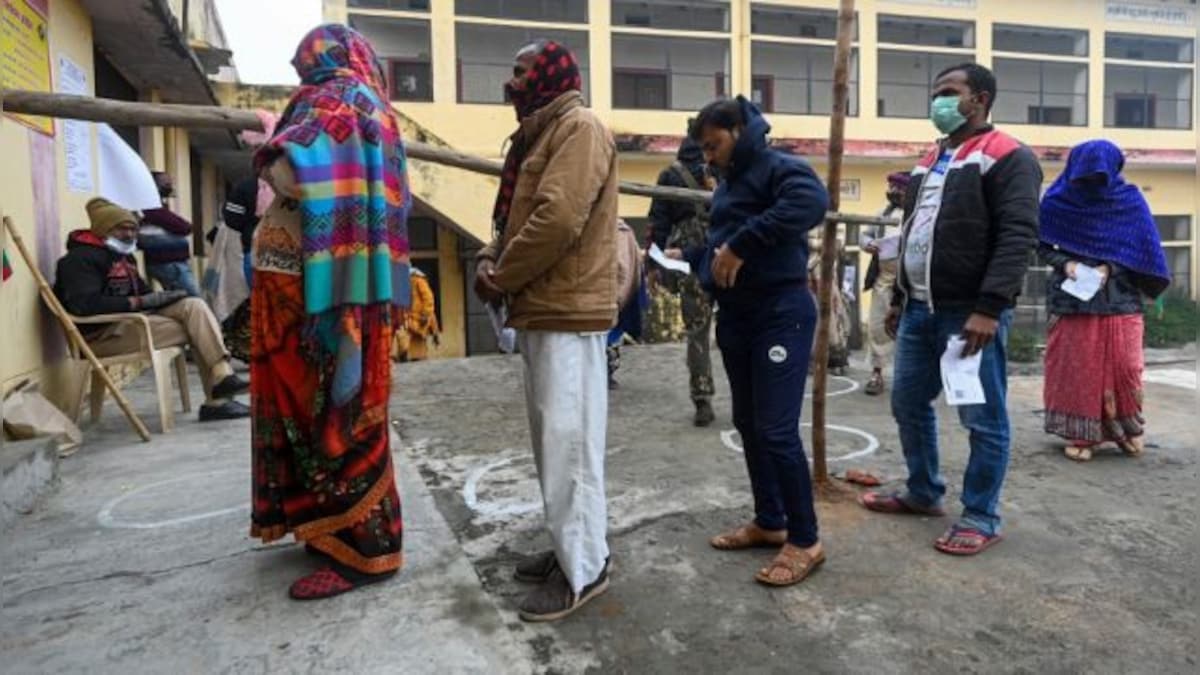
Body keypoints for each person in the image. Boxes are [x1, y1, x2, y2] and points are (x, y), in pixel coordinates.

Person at [249, 24, 410, 600]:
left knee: (333, 414)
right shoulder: (374, 106)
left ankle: (366, 552)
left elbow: (297, 173)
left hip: (319, 296)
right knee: (334, 411)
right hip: (342, 287)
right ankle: (333, 530)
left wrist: (270, 154)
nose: (300, 73)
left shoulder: (333, 100)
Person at [859, 63, 1042, 556]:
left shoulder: (1008, 156)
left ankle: (981, 515)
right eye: (935, 92)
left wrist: (989, 308)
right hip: (919, 307)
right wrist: (898, 297)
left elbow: (1017, 236)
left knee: (982, 418)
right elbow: (916, 231)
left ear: (979, 98)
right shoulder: (931, 158)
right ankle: (924, 493)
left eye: (948, 92)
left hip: (969, 314)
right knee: (907, 402)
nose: (937, 101)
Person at [473, 39, 618, 621]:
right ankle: (571, 548)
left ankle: (583, 570)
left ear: (550, 74)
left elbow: (556, 219)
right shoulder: (540, 133)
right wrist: (491, 256)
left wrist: (503, 276)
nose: (511, 83)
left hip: (566, 308)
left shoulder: (578, 128)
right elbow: (513, 216)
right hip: (544, 306)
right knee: (555, 443)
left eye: (520, 70)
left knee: (570, 446)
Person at [674, 96, 829, 587]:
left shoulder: (781, 168)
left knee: (777, 427)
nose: (709, 157)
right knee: (748, 422)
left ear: (740, 130)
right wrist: (693, 258)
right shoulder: (728, 184)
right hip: (738, 314)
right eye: (704, 149)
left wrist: (743, 244)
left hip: (781, 314)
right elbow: (723, 242)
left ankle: (804, 539)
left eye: (714, 145)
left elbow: (810, 204)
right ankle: (770, 520)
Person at [54, 198, 250, 421]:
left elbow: (145, 294)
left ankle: (222, 373)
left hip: (131, 324)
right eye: (121, 229)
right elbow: (84, 305)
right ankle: (217, 400)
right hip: (101, 337)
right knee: (198, 330)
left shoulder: (124, 257)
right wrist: (137, 303)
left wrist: (168, 297)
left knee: (193, 305)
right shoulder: (78, 260)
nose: (129, 235)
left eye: (133, 229)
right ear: (102, 230)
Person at [1038, 140, 1170, 462]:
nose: (1093, 184)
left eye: (1100, 176)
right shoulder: (1057, 202)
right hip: (1073, 303)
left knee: (1126, 367)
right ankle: (1081, 435)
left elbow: (1144, 251)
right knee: (1077, 368)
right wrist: (1064, 264)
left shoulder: (1129, 201)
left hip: (1121, 301)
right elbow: (1040, 244)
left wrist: (1108, 267)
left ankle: (1127, 430)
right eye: (1086, 177)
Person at [648, 135, 716, 426]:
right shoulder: (723, 169)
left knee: (697, 330)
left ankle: (702, 399)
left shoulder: (670, 174)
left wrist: (653, 265)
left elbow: (658, 223)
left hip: (687, 261)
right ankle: (750, 396)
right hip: (727, 251)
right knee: (740, 326)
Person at [860, 171, 909, 395]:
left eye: (899, 188)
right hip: (884, 278)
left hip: (911, 280)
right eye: (892, 187)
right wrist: (868, 243)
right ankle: (877, 373)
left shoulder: (917, 212)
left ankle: (910, 379)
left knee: (911, 329)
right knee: (878, 326)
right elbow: (865, 234)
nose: (894, 192)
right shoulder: (883, 211)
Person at [139, 171, 201, 297]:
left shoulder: (157, 204)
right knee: (193, 297)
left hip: (173, 262)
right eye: (165, 183)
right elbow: (183, 227)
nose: (169, 186)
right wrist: (186, 226)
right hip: (167, 263)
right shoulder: (149, 205)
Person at [607, 218, 647, 389]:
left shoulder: (621, 232)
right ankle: (607, 368)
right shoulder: (624, 231)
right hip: (615, 293)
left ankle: (606, 368)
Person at [807, 234, 851, 375]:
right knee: (812, 315)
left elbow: (837, 243)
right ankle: (814, 359)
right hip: (808, 270)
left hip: (826, 270)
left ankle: (837, 360)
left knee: (832, 314)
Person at [392, 266, 440, 362]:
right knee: (402, 335)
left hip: (418, 318)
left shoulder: (418, 280)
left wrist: (425, 314)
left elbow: (428, 298)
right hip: (406, 317)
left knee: (416, 345)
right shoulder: (399, 281)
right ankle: (403, 355)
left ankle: (410, 356)